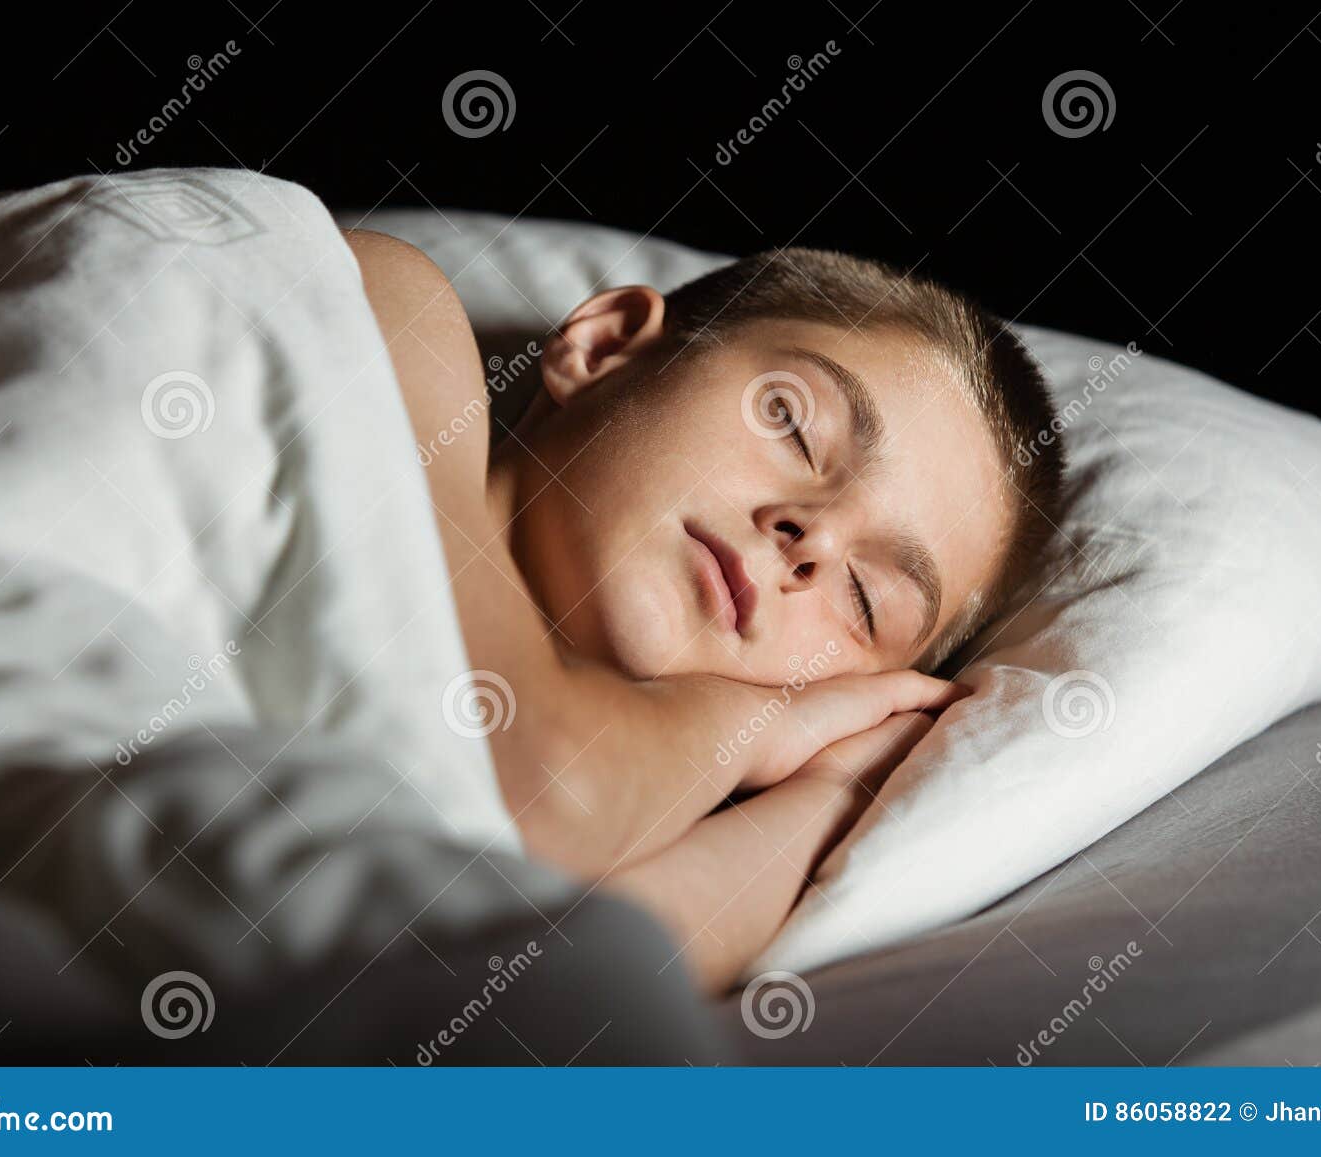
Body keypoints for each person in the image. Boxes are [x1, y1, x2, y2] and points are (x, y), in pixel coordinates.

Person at [344, 229, 1066, 991]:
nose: (813, 536)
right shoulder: (385, 301)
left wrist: (837, 789)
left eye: (864, 596)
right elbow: (540, 782)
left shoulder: (626, 819)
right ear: (604, 346)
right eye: (790, 423)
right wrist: (761, 730)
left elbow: (545, 998)